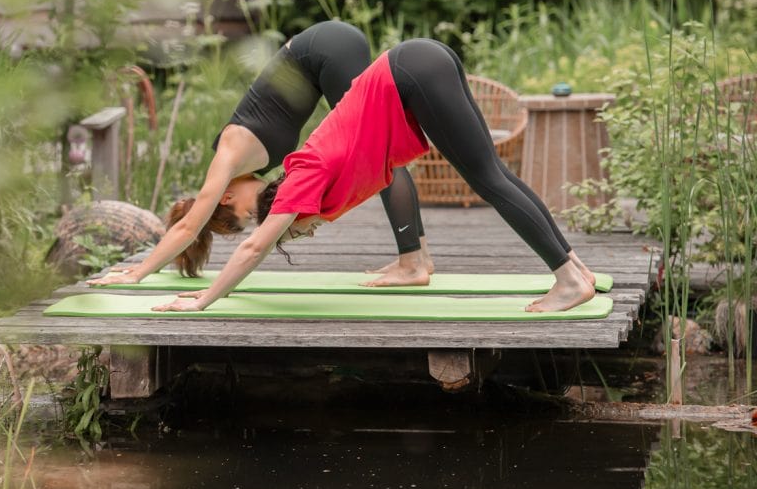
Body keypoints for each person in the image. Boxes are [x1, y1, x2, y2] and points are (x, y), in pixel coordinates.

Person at [152, 37, 596, 314]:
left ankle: (569, 280)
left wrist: (204, 300)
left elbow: (254, 247)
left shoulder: (301, 177)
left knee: (488, 180)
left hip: (411, 71)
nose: (307, 233)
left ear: (290, 209)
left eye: (299, 232)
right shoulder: (329, 190)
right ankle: (576, 269)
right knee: (493, 174)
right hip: (419, 63)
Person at [90, 20, 433, 288]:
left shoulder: (229, 154)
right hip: (325, 49)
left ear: (224, 197)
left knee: (375, 150)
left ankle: (412, 261)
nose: (257, 213)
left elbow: (188, 228)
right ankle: (419, 258)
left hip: (324, 48)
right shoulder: (254, 166)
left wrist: (137, 273)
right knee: (374, 149)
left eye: (246, 213)